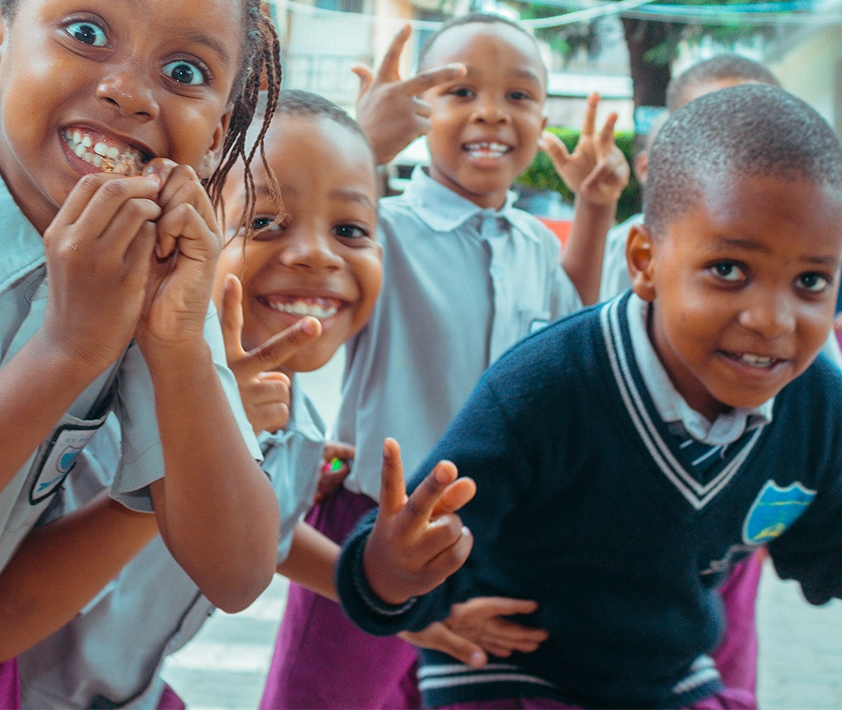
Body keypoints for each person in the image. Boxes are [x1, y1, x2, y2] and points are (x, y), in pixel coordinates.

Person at [0, 91, 513, 709]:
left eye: (350, 229)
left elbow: (267, 540)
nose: (316, 253)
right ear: (181, 231)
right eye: (261, 222)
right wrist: (184, 459)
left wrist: (384, 585)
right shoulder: (106, 389)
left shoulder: (297, 422)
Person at [337, 83, 842, 710]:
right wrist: (393, 566)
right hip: (509, 670)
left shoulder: (816, 403)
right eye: (729, 270)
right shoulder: (545, 386)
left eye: (811, 280)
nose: (773, 319)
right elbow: (404, 564)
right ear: (645, 261)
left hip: (662, 674)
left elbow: (826, 551)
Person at [0, 0, 283, 706]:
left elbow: (239, 569)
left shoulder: (156, 274)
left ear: (213, 134)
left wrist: (175, 347)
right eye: (86, 31)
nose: (132, 92)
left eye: (185, 71)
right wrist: (66, 352)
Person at [261, 13, 631, 710]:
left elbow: (571, 335)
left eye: (519, 96)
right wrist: (363, 148)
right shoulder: (379, 231)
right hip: (370, 524)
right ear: (422, 109)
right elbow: (295, 268)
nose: (491, 111)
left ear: (543, 115)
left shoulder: (534, 243)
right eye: (460, 91)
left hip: (482, 538)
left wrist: (595, 208)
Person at [600, 53, 780, 299]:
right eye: (709, 133)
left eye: (758, 134)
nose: (734, 153)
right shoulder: (627, 248)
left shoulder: (809, 245)